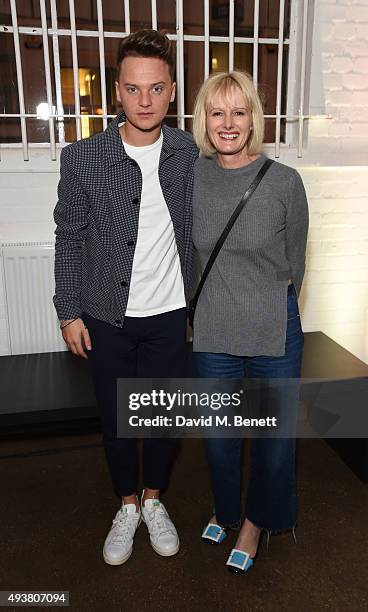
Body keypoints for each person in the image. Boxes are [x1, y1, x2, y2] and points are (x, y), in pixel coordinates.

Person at [53, 30, 197, 566]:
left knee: (164, 420)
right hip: (106, 317)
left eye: (156, 89)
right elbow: (68, 235)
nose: (145, 101)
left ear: (173, 91)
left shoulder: (188, 152)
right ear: (117, 91)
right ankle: (128, 505)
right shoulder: (83, 158)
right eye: (133, 89)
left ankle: (156, 501)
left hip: (168, 317)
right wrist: (68, 310)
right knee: (116, 421)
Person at [190, 70, 309, 573]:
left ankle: (256, 523)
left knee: (272, 443)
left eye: (239, 112)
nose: (229, 123)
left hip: (271, 331)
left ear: (254, 118)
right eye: (218, 112)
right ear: (204, 120)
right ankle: (226, 506)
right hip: (213, 331)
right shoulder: (190, 175)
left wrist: (267, 306)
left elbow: (295, 264)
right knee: (219, 441)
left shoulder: (284, 181)